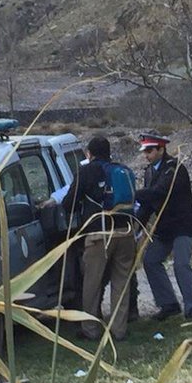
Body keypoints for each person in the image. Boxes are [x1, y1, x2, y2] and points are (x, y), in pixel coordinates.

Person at [42, 135, 135, 341]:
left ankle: (90, 329)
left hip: (99, 235)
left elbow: (69, 203)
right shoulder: (122, 170)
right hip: (126, 232)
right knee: (121, 282)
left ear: (89, 154)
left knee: (92, 283)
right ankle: (119, 330)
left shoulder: (86, 171)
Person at [136, 133, 192, 321]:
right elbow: (149, 203)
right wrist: (138, 226)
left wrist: (134, 194)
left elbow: (160, 192)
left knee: (181, 264)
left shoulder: (175, 169)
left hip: (183, 224)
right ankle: (168, 304)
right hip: (164, 227)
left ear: (161, 149)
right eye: (145, 151)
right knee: (151, 260)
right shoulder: (149, 172)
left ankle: (191, 306)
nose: (146, 155)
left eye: (150, 151)